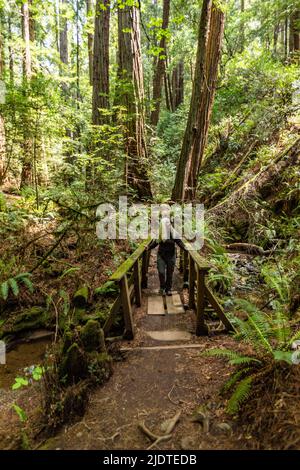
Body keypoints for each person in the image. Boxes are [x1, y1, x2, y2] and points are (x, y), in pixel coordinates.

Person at [148, 219, 185, 296]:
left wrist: (186, 248)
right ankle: (162, 287)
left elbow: (179, 242)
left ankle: (168, 289)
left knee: (169, 273)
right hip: (161, 255)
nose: (168, 224)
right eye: (166, 223)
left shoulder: (174, 233)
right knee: (161, 272)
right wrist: (148, 247)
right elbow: (155, 243)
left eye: (169, 223)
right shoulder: (160, 233)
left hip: (171, 255)